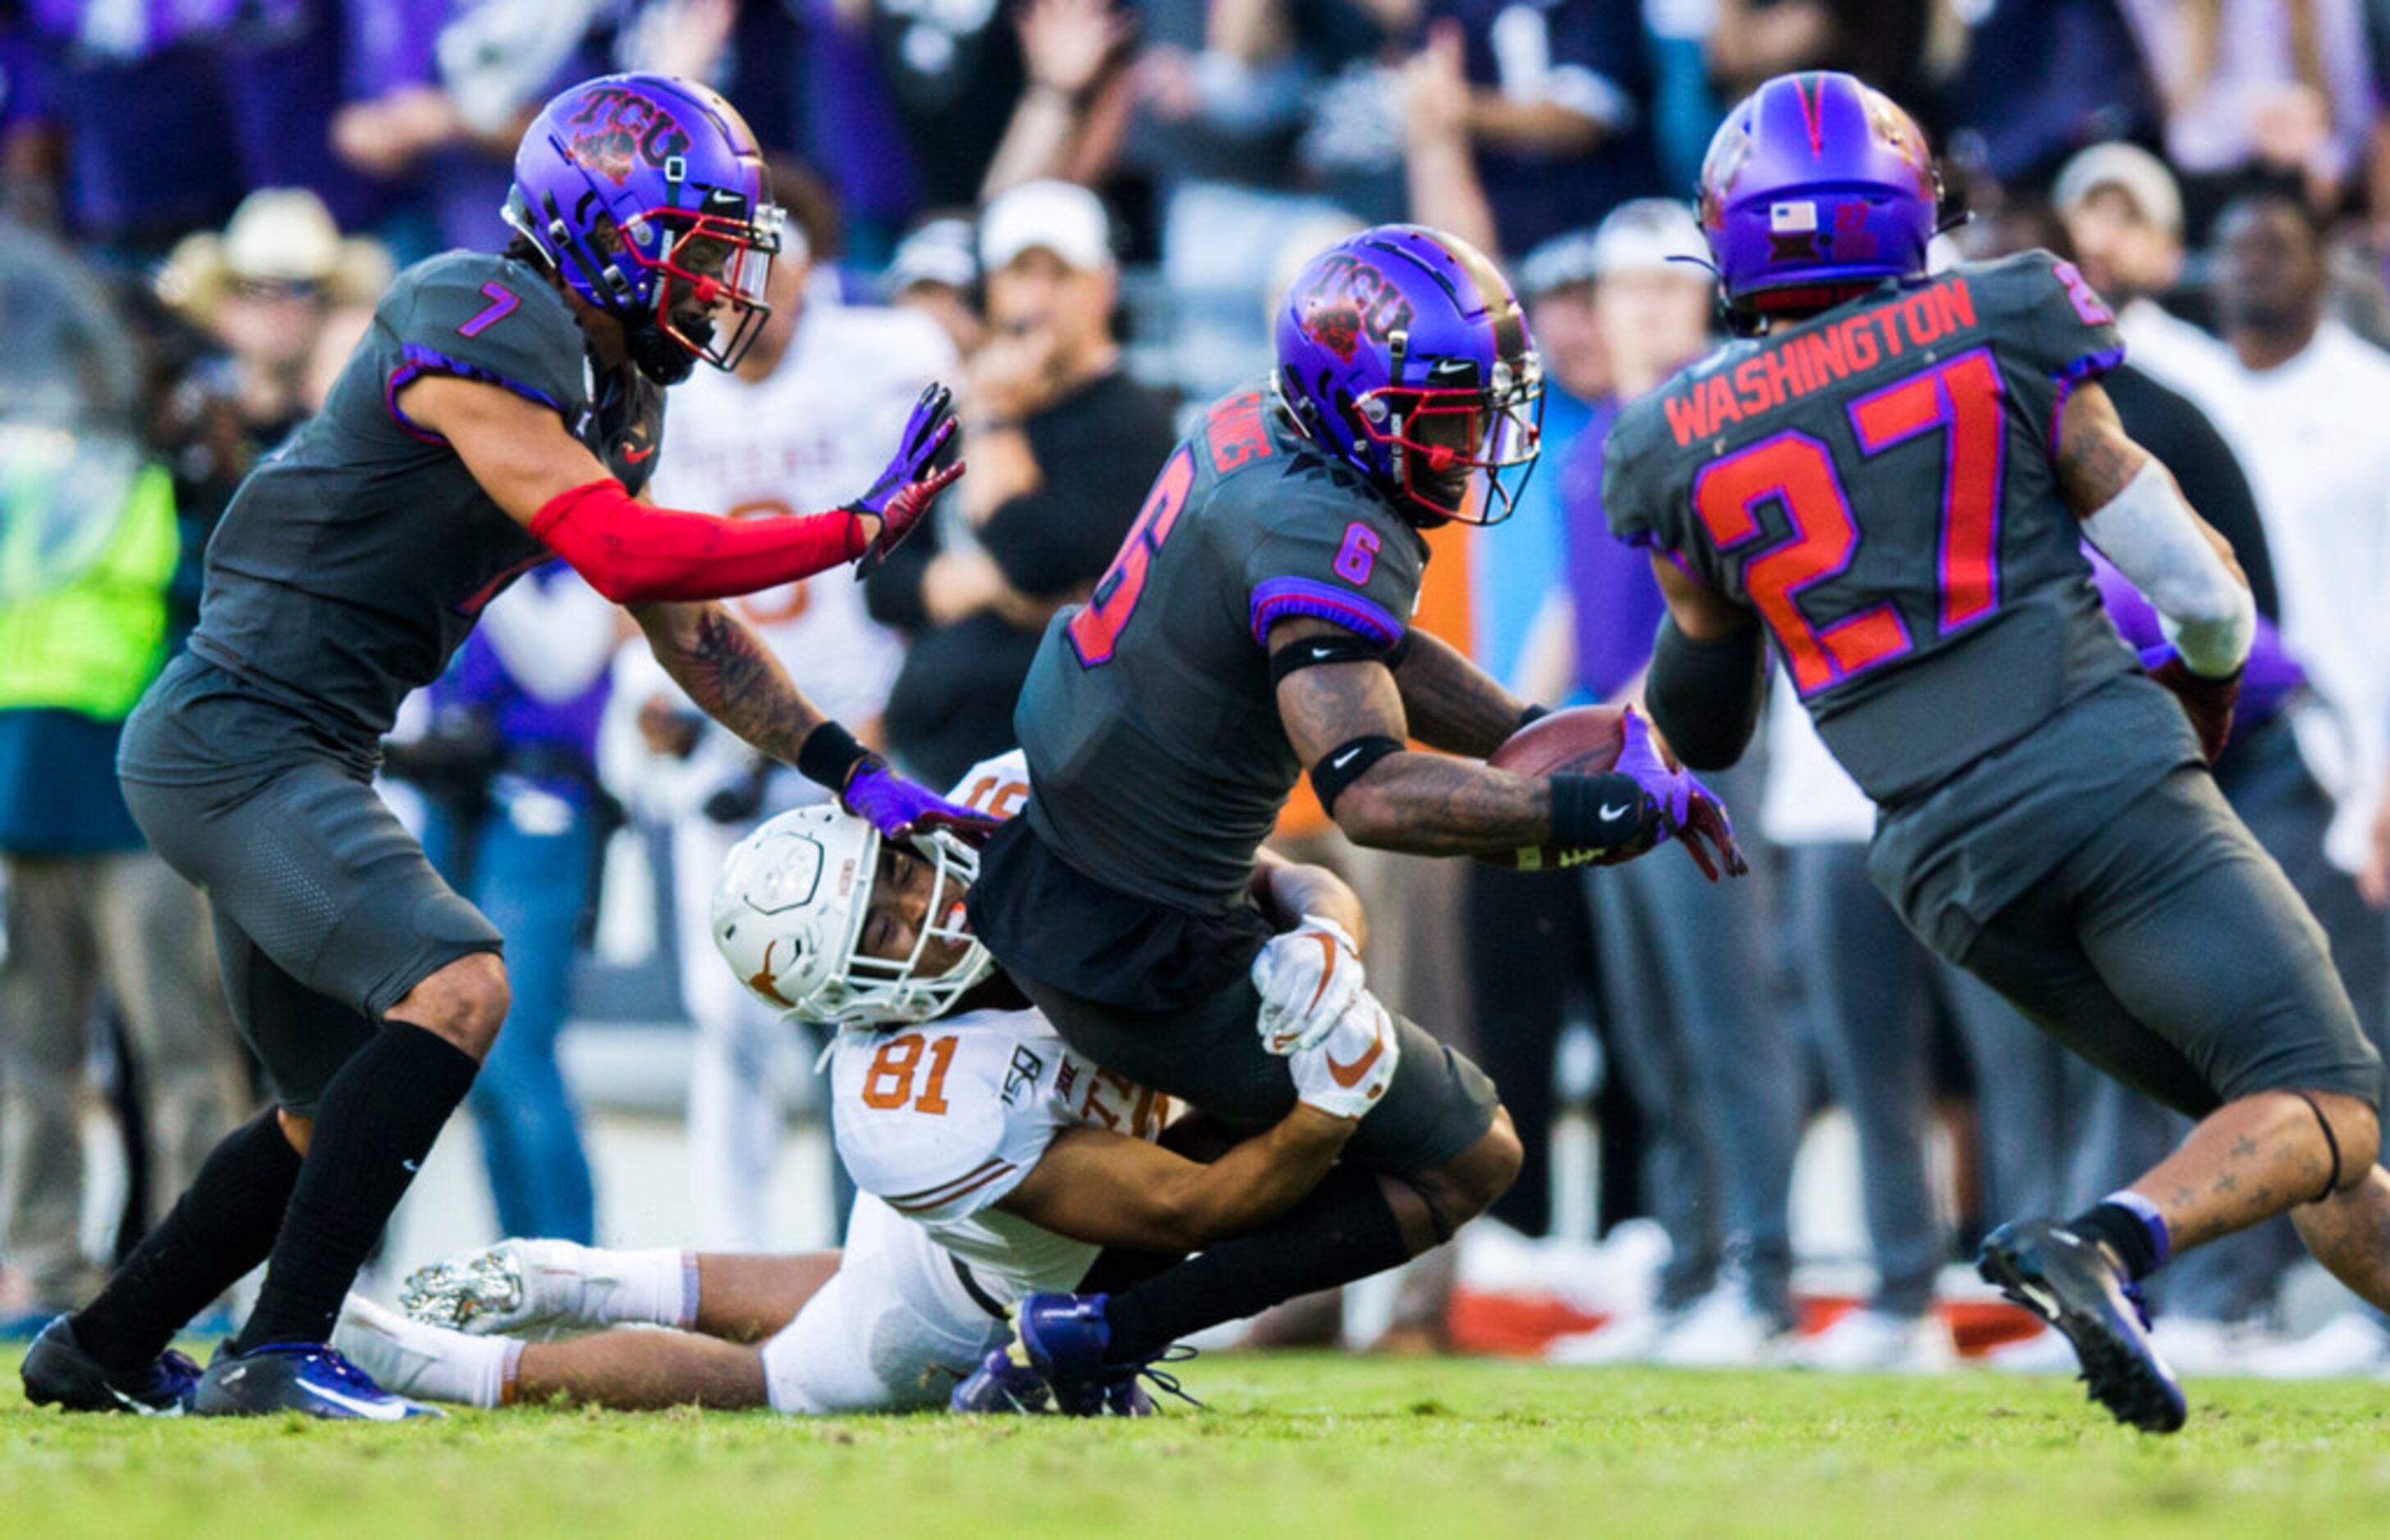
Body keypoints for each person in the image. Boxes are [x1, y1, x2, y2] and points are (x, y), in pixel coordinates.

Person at [19, 72, 982, 1422]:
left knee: (323, 1111)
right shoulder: (474, 307)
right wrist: (850, 528)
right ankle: (283, 1353)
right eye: (695, 244)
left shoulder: (619, 390)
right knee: (458, 983)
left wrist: (842, 764)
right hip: (241, 736)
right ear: (601, 226)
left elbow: (686, 629)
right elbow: (618, 545)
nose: (720, 280)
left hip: (297, 745)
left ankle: (100, 1345)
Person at [1604, 71, 2386, 1433]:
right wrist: (2196, 702)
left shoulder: (1675, 436)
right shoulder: (1998, 314)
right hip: (2097, 771)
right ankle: (2102, 1244)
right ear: (1903, 206)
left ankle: (2121, 1237)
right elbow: (2199, 589)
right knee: (2330, 1098)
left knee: (2279, 1138)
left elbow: (1707, 720)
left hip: (1937, 860)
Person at [952, 222, 1745, 1413]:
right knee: (1464, 1153)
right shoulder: (1318, 521)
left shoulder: (1256, 422)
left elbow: (1358, 638)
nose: (1474, 434)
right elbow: (1369, 789)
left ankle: (1062, 1318)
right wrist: (1593, 807)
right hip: (1144, 932)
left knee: (1315, 1094)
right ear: (1357, 401)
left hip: (1073, 862)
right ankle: (1092, 1333)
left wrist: (1533, 725)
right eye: (1445, 409)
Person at [331, 747, 1398, 1414]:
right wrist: (1329, 1102)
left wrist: (1323, 933)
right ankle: (443, 1367)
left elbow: (1259, 868)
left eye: (893, 871)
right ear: (854, 992)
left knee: (852, 1276)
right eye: (883, 926)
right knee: (778, 1379)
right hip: (964, 1299)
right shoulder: (917, 1104)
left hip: (956, 1231)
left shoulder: (1001, 812)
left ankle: (579, 1278)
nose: (920, 904)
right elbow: (1188, 1206)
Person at [864, 180, 1177, 790]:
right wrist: (986, 584)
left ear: (1103, 287)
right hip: (934, 757)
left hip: (1063, 767)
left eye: (1059, 276)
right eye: (1018, 274)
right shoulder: (952, 415)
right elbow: (882, 578)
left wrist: (996, 419)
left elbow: (1036, 560)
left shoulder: (1133, 418)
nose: (1037, 298)